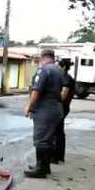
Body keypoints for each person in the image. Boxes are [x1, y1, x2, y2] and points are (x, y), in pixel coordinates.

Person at [24, 49, 64, 178]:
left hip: (45, 110)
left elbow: (37, 90)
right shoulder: (58, 70)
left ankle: (40, 170)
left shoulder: (44, 70)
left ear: (42, 58)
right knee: (48, 139)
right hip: (56, 109)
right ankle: (44, 167)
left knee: (41, 139)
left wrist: (29, 106)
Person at [51, 59, 75, 164]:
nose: (57, 68)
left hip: (61, 108)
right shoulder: (64, 77)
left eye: (59, 66)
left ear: (64, 67)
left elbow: (63, 96)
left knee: (56, 132)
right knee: (59, 131)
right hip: (61, 107)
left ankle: (56, 156)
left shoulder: (66, 78)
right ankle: (59, 156)